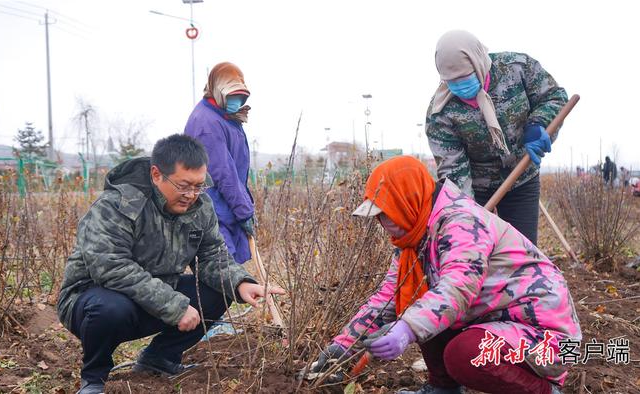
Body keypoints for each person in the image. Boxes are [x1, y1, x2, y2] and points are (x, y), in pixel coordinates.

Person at [310, 156, 581, 394]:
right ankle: (443, 388)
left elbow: (457, 289)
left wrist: (406, 329)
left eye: (386, 213)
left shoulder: (461, 222)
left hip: (545, 337)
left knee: (464, 353)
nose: (383, 223)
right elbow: (390, 296)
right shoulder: (414, 233)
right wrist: (343, 347)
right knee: (421, 305)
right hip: (497, 320)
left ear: (408, 198)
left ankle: (542, 390)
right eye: (378, 216)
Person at [57, 135, 284, 394]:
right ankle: (94, 379)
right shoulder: (118, 205)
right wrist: (174, 306)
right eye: (184, 185)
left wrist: (241, 283)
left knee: (219, 290)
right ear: (156, 174)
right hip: (91, 300)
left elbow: (212, 255)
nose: (191, 195)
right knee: (110, 308)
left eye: (199, 186)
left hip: (156, 295)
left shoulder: (201, 206)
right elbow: (111, 268)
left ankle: (159, 359)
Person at [425, 30, 568, 245]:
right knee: (480, 250)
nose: (460, 85)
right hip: (479, 189)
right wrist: (467, 213)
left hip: (522, 178)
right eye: (452, 81)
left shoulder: (517, 68)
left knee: (523, 249)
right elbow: (454, 171)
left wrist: (539, 125)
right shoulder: (441, 113)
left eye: (465, 77)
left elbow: (554, 97)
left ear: (478, 62)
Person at [185, 62, 255, 264]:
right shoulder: (207, 123)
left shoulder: (225, 117)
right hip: (212, 211)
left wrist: (245, 207)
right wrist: (244, 211)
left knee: (230, 274)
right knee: (222, 270)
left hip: (225, 207)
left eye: (240, 97)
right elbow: (224, 172)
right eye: (232, 96)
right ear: (218, 91)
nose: (237, 101)